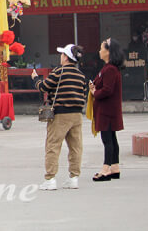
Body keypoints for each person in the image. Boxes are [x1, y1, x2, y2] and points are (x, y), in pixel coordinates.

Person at [31, 44, 87, 190]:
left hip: (61, 114)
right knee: (76, 147)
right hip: (77, 115)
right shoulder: (81, 75)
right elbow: (84, 94)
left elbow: (43, 87)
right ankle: (74, 178)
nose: (60, 57)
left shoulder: (58, 72)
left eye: (62, 54)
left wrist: (35, 79)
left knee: (53, 146)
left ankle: (50, 179)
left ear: (66, 57)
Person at [91, 38, 125, 182]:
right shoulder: (108, 68)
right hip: (107, 109)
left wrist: (94, 93)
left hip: (107, 110)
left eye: (101, 48)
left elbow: (107, 90)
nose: (99, 51)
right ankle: (115, 167)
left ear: (108, 52)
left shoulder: (110, 69)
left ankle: (106, 169)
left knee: (107, 140)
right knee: (111, 138)